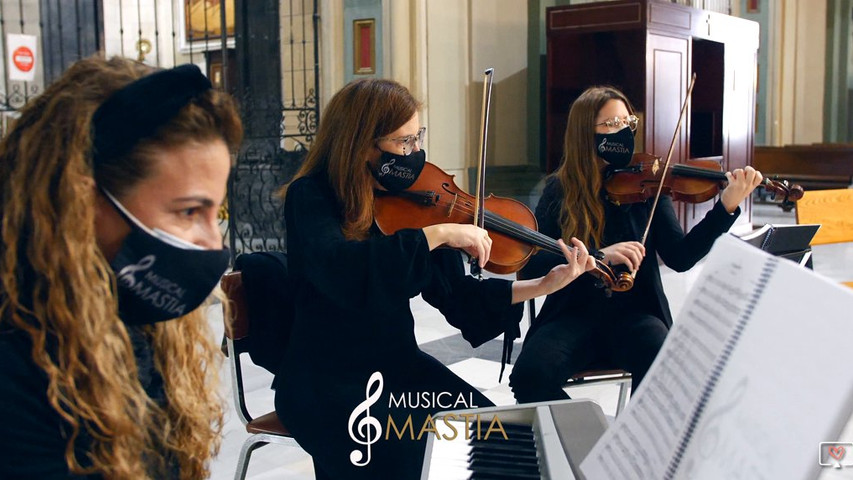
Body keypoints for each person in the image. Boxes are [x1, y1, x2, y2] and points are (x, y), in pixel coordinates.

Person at [275, 77, 596, 479]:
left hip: (400, 370)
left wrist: (545, 284)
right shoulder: (312, 197)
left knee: (502, 440)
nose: (414, 152)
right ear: (360, 143)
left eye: (417, 138)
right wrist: (437, 235)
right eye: (402, 142)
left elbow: (459, 297)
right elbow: (342, 269)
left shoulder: (413, 205)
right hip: (328, 382)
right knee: (417, 463)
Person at [0, 57, 242, 479]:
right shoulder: (19, 362)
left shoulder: (140, 325)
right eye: (188, 211)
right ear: (81, 201)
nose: (214, 244)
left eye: (215, 213)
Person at [510, 85, 763, 404]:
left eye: (627, 123)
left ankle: (635, 447)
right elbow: (532, 266)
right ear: (585, 133)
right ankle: (582, 440)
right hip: (571, 314)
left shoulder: (649, 187)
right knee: (529, 376)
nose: (624, 131)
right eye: (611, 125)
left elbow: (681, 257)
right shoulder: (558, 190)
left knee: (662, 366)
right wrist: (599, 256)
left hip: (636, 313)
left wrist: (725, 207)